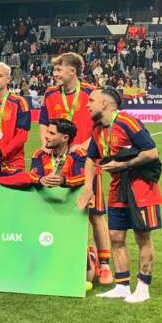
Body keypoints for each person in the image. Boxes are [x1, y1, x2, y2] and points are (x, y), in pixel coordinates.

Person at [77, 88, 162, 303]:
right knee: (116, 236)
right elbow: (90, 159)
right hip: (117, 188)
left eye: (91, 101)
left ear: (105, 104)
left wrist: (123, 164)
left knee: (142, 236)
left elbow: (152, 152)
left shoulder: (127, 122)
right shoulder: (97, 128)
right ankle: (122, 286)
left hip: (141, 187)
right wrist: (88, 186)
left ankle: (143, 287)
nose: (87, 105)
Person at [39, 52, 110, 281]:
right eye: (55, 70)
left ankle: (105, 264)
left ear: (72, 71)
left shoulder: (91, 93)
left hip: (86, 160)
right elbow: (43, 124)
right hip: (57, 161)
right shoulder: (50, 94)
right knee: (59, 209)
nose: (55, 74)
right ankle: (66, 256)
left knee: (95, 213)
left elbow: (102, 124)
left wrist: (87, 146)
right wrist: (46, 147)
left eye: (59, 70)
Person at [29, 119, 87, 189]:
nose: (46, 136)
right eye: (47, 132)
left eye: (52, 133)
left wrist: (64, 181)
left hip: (70, 199)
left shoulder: (78, 155)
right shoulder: (40, 154)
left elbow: (83, 178)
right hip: (46, 199)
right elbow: (32, 176)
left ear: (65, 138)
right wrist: (41, 179)